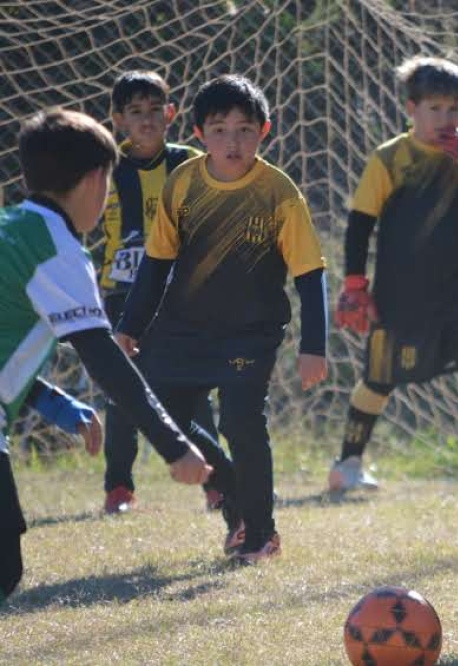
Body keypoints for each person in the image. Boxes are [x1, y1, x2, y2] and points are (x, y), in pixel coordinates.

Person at [116, 75, 329, 563]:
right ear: (197, 133)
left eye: (244, 130)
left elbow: (310, 273)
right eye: (219, 130)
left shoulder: (279, 192)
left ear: (265, 131)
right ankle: (236, 492)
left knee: (241, 421)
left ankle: (261, 532)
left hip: (249, 334)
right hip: (181, 330)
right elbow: (155, 265)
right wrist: (129, 328)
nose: (232, 142)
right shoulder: (183, 184)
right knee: (162, 417)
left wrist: (314, 344)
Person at [1, 108, 211, 599]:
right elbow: (104, 358)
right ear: (98, 179)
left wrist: (57, 404)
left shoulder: (9, 226)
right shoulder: (57, 248)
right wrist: (173, 445)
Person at [329, 56, 458, 492]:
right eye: (435, 108)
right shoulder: (389, 159)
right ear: (412, 108)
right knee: (378, 379)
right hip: (399, 296)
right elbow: (360, 225)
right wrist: (354, 285)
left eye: (454, 108)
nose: (446, 118)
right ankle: (347, 465)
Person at [96, 70, 221, 515]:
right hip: (122, 297)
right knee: (123, 391)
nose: (146, 120)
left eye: (155, 111)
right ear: (118, 119)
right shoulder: (106, 167)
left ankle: (215, 483)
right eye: (135, 112)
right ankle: (119, 487)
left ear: (170, 114)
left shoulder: (190, 163)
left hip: (181, 296)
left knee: (195, 387)